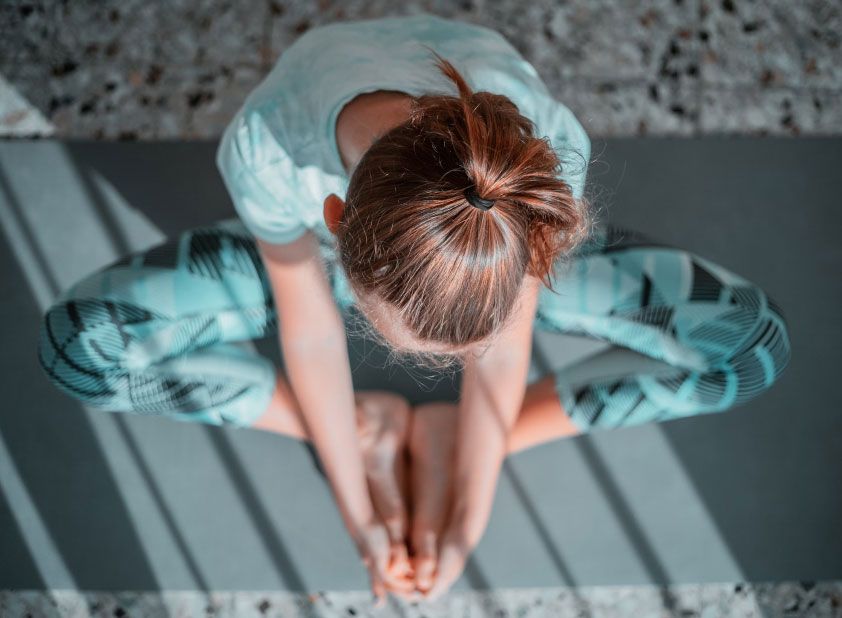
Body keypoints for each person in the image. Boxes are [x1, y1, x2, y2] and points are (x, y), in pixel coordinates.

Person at [36, 13, 792, 605]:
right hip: (325, 258)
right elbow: (313, 331)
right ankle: (363, 426)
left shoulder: (535, 159)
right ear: (331, 217)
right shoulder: (268, 148)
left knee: (752, 346)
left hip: (490, 250)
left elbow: (507, 342)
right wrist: (359, 513)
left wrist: (470, 511)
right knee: (77, 348)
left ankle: (454, 434)